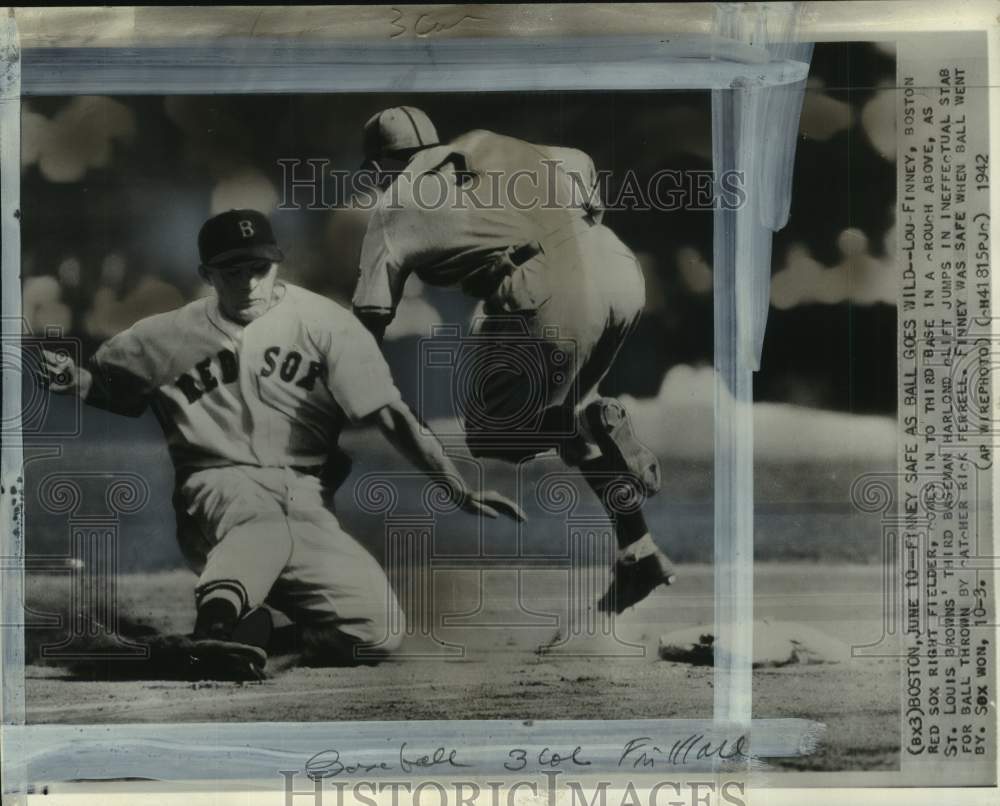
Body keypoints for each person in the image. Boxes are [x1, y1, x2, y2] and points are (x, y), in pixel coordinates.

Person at [42, 208, 522, 681]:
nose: (249, 282)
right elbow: (117, 390)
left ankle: (261, 640)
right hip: (217, 487)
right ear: (206, 274)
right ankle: (211, 633)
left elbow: (390, 412)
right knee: (262, 524)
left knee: (376, 632)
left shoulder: (324, 323)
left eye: (259, 268)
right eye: (233, 271)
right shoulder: (163, 335)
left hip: (304, 497)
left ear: (279, 262)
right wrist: (77, 381)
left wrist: (456, 485)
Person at [352, 107, 676, 615]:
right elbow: (582, 174)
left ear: (375, 169)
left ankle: (592, 420)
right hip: (618, 269)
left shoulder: (393, 204)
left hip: (548, 290)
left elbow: (366, 328)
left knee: (494, 435)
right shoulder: (494, 143)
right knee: (567, 419)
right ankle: (641, 553)